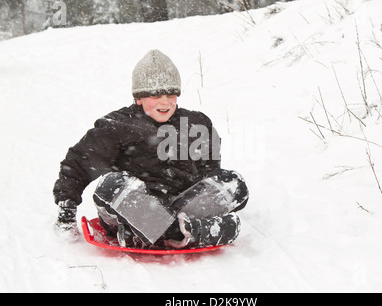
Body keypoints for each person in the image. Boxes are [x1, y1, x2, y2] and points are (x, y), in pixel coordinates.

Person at [53, 49, 249, 249]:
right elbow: (77, 164)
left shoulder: (195, 123)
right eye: (156, 95)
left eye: (171, 94)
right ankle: (185, 232)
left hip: (181, 206)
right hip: (132, 209)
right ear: (139, 98)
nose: (165, 101)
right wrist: (66, 210)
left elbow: (209, 172)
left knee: (234, 182)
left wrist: (204, 195)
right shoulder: (118, 125)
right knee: (111, 184)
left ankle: (162, 233)